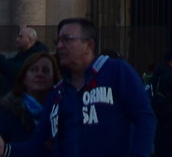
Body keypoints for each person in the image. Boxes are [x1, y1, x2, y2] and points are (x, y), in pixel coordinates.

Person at [47, 19, 155, 157]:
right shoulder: (59, 91)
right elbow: (39, 141)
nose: (60, 46)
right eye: (58, 41)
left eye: (67, 39)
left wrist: (139, 153)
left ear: (89, 45)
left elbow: (143, 116)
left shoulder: (117, 71)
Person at [0, 50, 58, 157]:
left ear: (54, 79)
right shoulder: (10, 112)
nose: (39, 74)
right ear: (24, 79)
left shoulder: (64, 111)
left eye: (45, 71)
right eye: (34, 70)